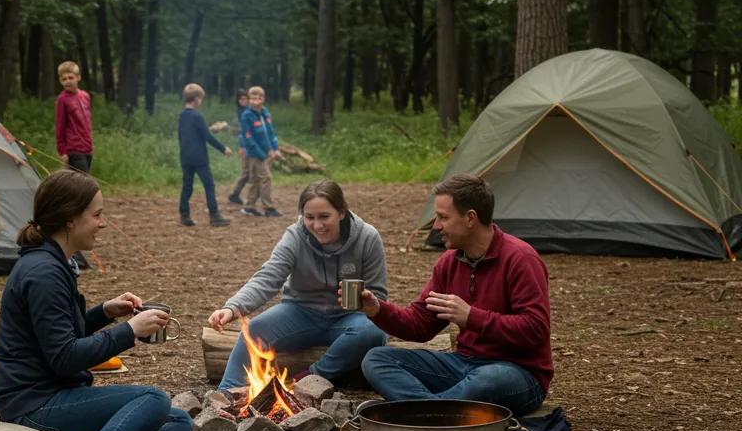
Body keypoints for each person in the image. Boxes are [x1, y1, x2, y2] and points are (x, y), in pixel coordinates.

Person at [0, 170, 194, 431]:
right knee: (153, 398)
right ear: (71, 219)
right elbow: (64, 356)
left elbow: (58, 334)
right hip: (34, 405)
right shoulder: (44, 273)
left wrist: (104, 312)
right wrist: (130, 331)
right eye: (97, 214)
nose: (103, 223)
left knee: (179, 422)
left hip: (54, 395)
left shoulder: (55, 262)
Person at [358, 173, 552, 416]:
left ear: (470, 218)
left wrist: (471, 317)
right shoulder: (450, 262)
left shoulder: (520, 259)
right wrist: (378, 309)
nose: (436, 226)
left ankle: (416, 411)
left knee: (487, 380)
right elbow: (420, 326)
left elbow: (536, 329)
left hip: (518, 374)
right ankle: (432, 413)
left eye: (443, 217)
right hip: (463, 365)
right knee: (377, 359)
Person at [207, 180, 388, 389]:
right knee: (254, 329)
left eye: (324, 217)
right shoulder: (295, 236)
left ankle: (310, 378)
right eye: (309, 217)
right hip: (301, 312)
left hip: (350, 317)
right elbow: (268, 276)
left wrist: (366, 301)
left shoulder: (367, 237)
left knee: (373, 331)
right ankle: (228, 394)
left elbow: (379, 298)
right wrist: (232, 308)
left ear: (341, 212)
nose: (317, 226)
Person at [54, 60, 94, 269]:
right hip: (74, 150)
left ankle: (81, 234)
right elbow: (60, 126)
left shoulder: (84, 96)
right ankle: (75, 243)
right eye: (64, 79)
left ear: (78, 77)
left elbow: (87, 123)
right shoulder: (62, 100)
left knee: (84, 194)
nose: (68, 81)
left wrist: (91, 145)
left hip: (87, 149)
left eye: (71, 77)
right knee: (81, 195)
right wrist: (63, 150)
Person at [177, 83, 233, 227]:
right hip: (199, 159)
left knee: (187, 186)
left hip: (185, 157)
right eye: (201, 98)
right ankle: (214, 216)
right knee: (209, 185)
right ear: (196, 99)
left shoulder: (182, 116)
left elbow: (187, 135)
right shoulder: (197, 116)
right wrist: (223, 148)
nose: (200, 101)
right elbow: (207, 137)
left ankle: (184, 215)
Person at [240, 85, 281, 217]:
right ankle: (268, 208)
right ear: (249, 99)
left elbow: (270, 132)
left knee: (257, 179)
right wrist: (262, 154)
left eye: (259, 98)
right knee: (266, 178)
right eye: (253, 98)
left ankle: (249, 207)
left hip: (268, 152)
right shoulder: (246, 115)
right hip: (255, 154)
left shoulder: (265, 113)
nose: (256, 100)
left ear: (263, 99)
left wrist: (275, 149)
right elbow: (248, 138)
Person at [226, 87, 250, 207]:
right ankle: (235, 194)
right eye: (241, 99)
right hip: (246, 145)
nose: (243, 101)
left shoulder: (249, 110)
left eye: (245, 99)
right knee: (246, 173)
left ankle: (237, 195)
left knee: (250, 173)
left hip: (252, 145)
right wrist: (242, 146)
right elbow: (243, 132)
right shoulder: (242, 112)